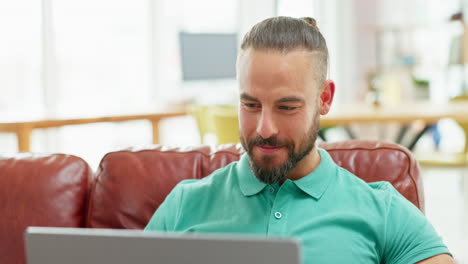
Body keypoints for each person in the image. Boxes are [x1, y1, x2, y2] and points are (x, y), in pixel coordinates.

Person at [145, 16, 453, 263]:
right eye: (250, 105)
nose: (264, 128)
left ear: (324, 98)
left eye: (286, 107)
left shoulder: (382, 210)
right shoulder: (184, 205)